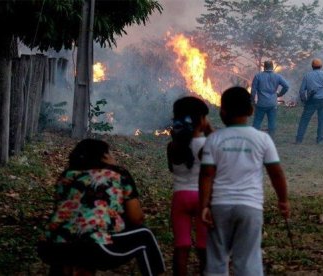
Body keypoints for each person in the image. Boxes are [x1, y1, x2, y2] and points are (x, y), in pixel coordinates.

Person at [37, 139, 165, 276]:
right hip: (95, 245)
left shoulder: (66, 176)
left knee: (72, 250)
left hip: (50, 245)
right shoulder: (119, 174)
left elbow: (65, 212)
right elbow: (136, 218)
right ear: (104, 156)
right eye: (111, 153)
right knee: (144, 235)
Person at [199, 86, 290, 276]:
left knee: (216, 259)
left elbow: (206, 175)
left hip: (220, 206)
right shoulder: (262, 139)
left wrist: (204, 205)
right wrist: (283, 200)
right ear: (251, 110)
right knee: (248, 259)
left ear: (222, 111)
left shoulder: (214, 139)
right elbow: (276, 173)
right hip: (250, 207)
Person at [167, 96, 213, 276]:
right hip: (203, 197)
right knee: (203, 245)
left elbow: (172, 168)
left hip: (180, 197)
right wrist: (210, 132)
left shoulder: (172, 146)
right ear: (201, 120)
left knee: (181, 245)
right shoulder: (206, 144)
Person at [295, 58, 323, 144]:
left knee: (304, 120)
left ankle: (299, 140)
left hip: (311, 100)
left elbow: (301, 91)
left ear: (312, 66)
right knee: (322, 121)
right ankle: (320, 140)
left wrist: (304, 100)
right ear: (321, 66)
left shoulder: (307, 75)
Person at [251, 60, 289, 137]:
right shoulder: (277, 76)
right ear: (272, 67)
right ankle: (271, 139)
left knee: (257, 121)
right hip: (272, 104)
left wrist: (252, 101)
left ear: (264, 67)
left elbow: (253, 90)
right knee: (272, 122)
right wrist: (280, 94)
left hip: (261, 103)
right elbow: (286, 86)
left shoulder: (258, 76)